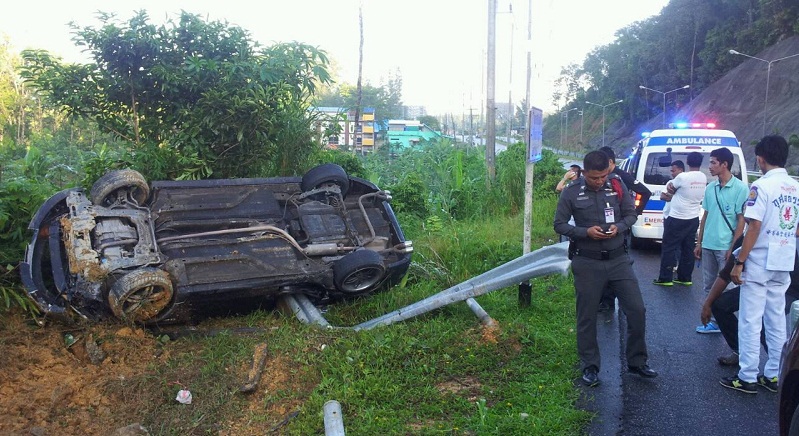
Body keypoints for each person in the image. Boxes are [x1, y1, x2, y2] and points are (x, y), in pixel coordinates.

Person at [554, 150, 657, 387]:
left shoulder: (617, 186)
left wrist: (619, 227)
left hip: (619, 259)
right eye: (594, 178)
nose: (599, 181)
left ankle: (637, 361)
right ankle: (590, 365)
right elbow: (559, 224)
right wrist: (584, 232)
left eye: (602, 176)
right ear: (585, 172)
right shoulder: (571, 192)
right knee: (587, 315)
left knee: (636, 309)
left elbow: (631, 214)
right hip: (587, 261)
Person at [721, 135, 799, 394]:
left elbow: (753, 225)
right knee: (777, 319)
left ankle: (747, 376)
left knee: (750, 320)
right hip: (784, 260)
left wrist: (739, 262)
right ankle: (775, 375)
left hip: (760, 261)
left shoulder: (761, 187)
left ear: (761, 158)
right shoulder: (795, 187)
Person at [701, 236, 799, 369]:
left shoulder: (783, 232)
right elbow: (725, 275)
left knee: (768, 322)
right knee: (720, 305)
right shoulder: (746, 238)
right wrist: (707, 304)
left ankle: (779, 367)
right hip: (757, 285)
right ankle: (740, 351)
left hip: (787, 289)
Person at [694, 147, 748, 334]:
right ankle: (714, 323)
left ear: (725, 164)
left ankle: (733, 326)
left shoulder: (741, 189)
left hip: (726, 246)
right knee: (709, 285)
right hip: (708, 244)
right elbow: (705, 216)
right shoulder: (710, 188)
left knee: (729, 287)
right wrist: (699, 242)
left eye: (713, 162)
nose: (709, 166)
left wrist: (733, 247)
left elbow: (741, 220)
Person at [598, 146, 652, 312]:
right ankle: (602, 298)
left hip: (619, 227)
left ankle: (608, 302)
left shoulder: (621, 176)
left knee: (614, 264)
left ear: (610, 162)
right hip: (604, 225)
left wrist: (634, 212)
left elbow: (645, 192)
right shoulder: (602, 177)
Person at [654, 152, 706, 286]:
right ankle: (685, 277)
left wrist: (671, 194)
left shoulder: (682, 177)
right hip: (693, 217)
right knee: (688, 249)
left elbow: (668, 193)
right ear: (700, 162)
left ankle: (665, 278)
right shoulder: (703, 177)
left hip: (677, 217)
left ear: (688, 162)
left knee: (669, 247)